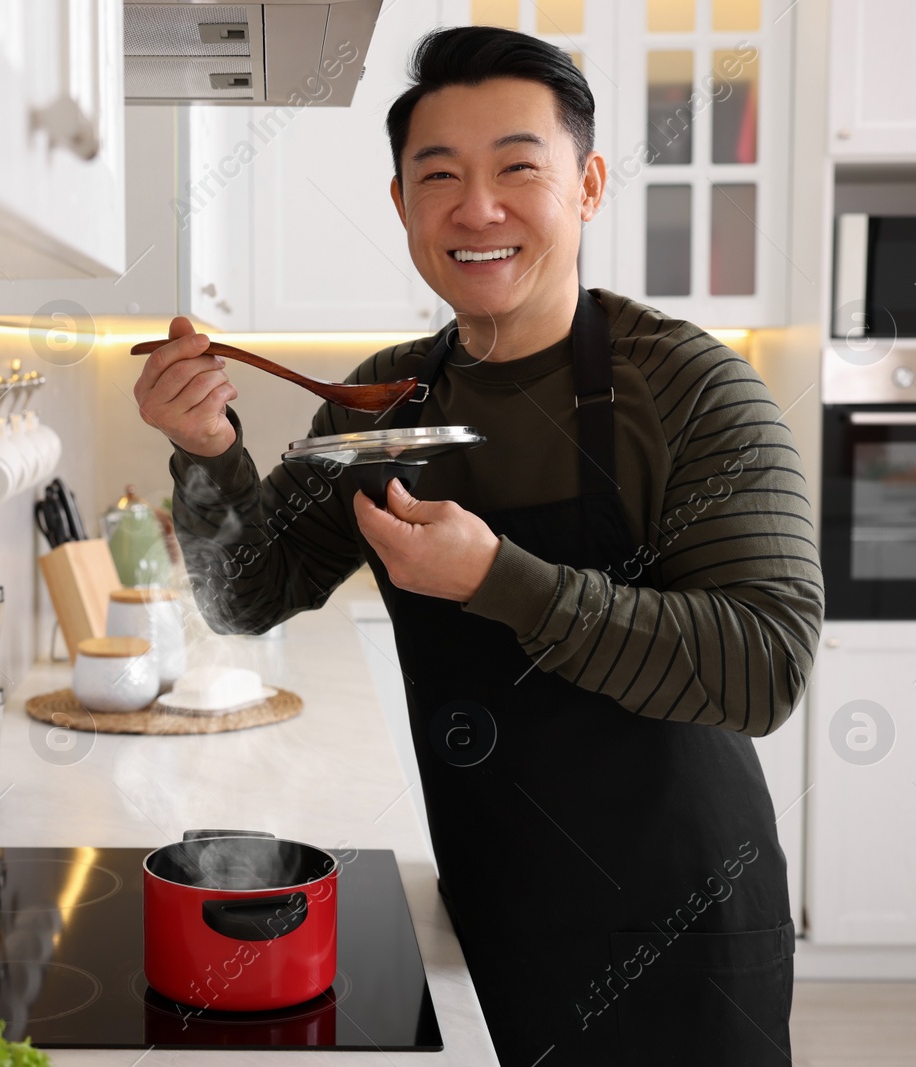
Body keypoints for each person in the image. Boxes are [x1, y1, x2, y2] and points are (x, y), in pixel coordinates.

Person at [132, 25, 823, 1066]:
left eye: (517, 168)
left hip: (680, 922)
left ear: (586, 185)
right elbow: (247, 590)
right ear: (404, 204)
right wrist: (204, 450)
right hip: (500, 905)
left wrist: (500, 579)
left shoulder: (688, 388)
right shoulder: (384, 401)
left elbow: (763, 665)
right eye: (439, 175)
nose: (478, 208)